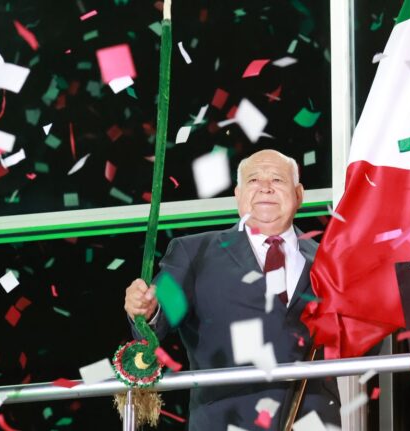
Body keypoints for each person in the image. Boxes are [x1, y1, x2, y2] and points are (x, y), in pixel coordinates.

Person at [124, 149, 341, 430]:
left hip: (313, 422)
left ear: (298, 194)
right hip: (227, 422)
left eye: (277, 179)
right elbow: (155, 321)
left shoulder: (330, 261)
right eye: (253, 180)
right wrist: (146, 310)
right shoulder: (193, 253)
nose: (265, 187)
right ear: (238, 195)